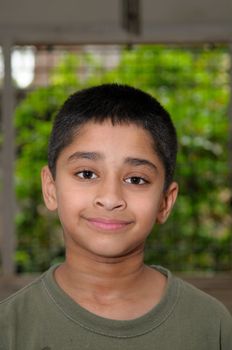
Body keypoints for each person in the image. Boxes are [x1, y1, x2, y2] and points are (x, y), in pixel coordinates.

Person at [0, 84, 231, 350]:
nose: (110, 198)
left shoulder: (212, 326)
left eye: (136, 179)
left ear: (165, 202)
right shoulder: (10, 328)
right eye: (87, 174)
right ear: (51, 189)